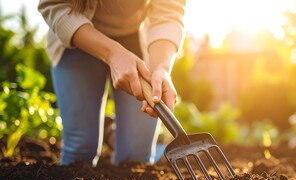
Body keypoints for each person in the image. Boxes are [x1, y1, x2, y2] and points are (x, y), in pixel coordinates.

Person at [38, 0, 186, 166]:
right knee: (81, 149)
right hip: (77, 36)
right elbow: (55, 5)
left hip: (135, 39)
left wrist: (161, 67)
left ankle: (113, 134)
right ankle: (113, 134)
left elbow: (168, 12)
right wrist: (113, 54)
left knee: (135, 157)